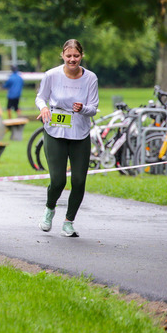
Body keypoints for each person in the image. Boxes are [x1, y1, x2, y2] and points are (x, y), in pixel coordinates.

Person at [35, 39, 99, 238]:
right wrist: (44, 108)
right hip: (55, 130)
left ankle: (68, 222)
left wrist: (83, 109)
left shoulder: (90, 78)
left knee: (79, 181)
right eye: (69, 56)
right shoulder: (51, 75)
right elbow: (40, 97)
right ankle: (49, 209)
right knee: (58, 180)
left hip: (80, 133)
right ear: (62, 55)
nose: (72, 59)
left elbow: (94, 108)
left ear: (82, 56)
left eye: (76, 56)